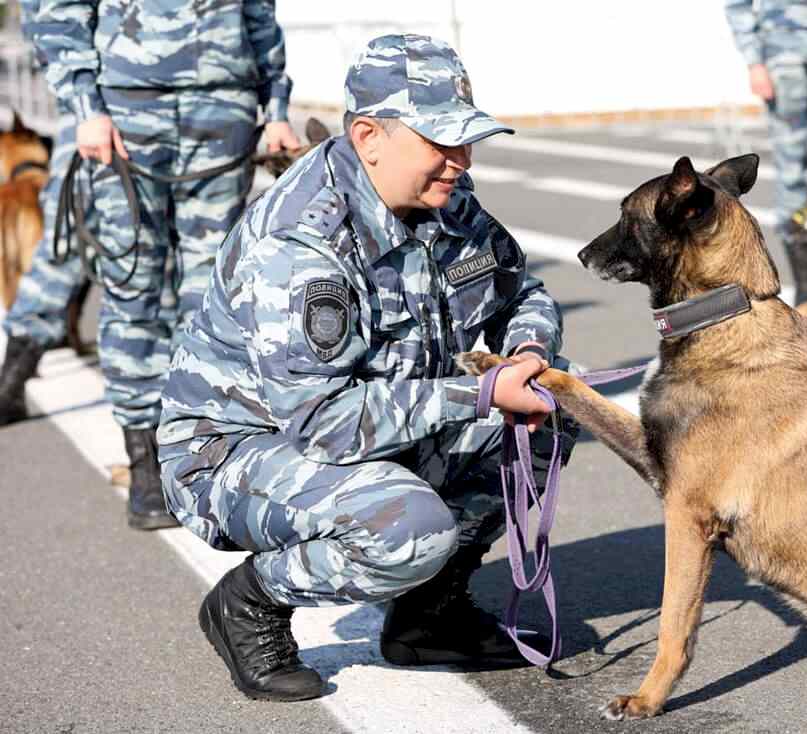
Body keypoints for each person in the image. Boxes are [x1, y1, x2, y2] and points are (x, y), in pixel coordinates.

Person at [158, 34, 580, 701]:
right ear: (368, 136)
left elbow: (519, 290)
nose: (460, 160)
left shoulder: (449, 201)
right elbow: (322, 423)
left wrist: (526, 354)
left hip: (371, 419)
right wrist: (477, 392)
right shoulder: (303, 242)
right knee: (409, 527)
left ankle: (427, 614)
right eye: (441, 141)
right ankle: (252, 602)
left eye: (466, 140)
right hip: (238, 449)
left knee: (551, 410)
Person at [34, 0, 301, 528]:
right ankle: (145, 468)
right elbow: (60, 11)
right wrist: (85, 106)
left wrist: (277, 107)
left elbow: (259, 12)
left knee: (212, 298)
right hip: (128, 114)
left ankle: (196, 452)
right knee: (134, 288)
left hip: (223, 113)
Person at [724, 0, 807, 305]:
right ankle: (806, 284)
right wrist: (754, 61)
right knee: (792, 172)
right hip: (782, 48)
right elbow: (738, 5)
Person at [0, 0, 93, 427]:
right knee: (60, 249)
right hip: (99, 114)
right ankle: (11, 382)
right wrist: (86, 101)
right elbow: (48, 19)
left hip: (206, 118)